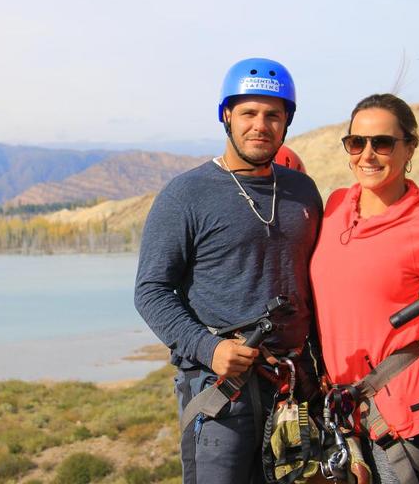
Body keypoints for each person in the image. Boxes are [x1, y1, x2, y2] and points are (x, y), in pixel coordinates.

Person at [134, 58, 323, 484]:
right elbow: (151, 290)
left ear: (287, 122)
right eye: (249, 113)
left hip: (293, 388)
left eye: (273, 115)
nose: (261, 125)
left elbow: (315, 283)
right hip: (221, 391)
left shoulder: (302, 191)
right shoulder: (186, 194)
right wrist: (209, 348)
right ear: (226, 116)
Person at [310, 94, 419, 484]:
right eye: (356, 143)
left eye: (382, 143)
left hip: (408, 416)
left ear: (409, 146)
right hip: (345, 411)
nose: (367, 154)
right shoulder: (335, 206)